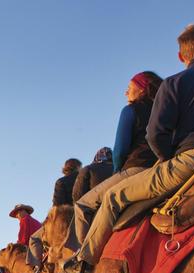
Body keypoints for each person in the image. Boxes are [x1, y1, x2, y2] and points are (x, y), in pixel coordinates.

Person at [64, 24, 194, 273]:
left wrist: (167, 159)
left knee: (112, 197)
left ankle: (84, 263)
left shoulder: (175, 83)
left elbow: (155, 135)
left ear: (181, 56)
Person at [63, 72, 163, 254]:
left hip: (136, 168)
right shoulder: (164, 109)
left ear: (141, 89)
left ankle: (82, 259)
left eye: (129, 88)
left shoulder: (131, 110)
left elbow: (120, 150)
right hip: (163, 168)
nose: (126, 93)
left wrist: (118, 171)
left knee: (83, 206)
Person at [23, 159, 82, 273]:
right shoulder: (83, 177)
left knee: (34, 239)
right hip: (84, 216)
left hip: (65, 221)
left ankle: (40, 270)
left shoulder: (61, 182)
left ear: (65, 169)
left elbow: (56, 207)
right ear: (78, 167)